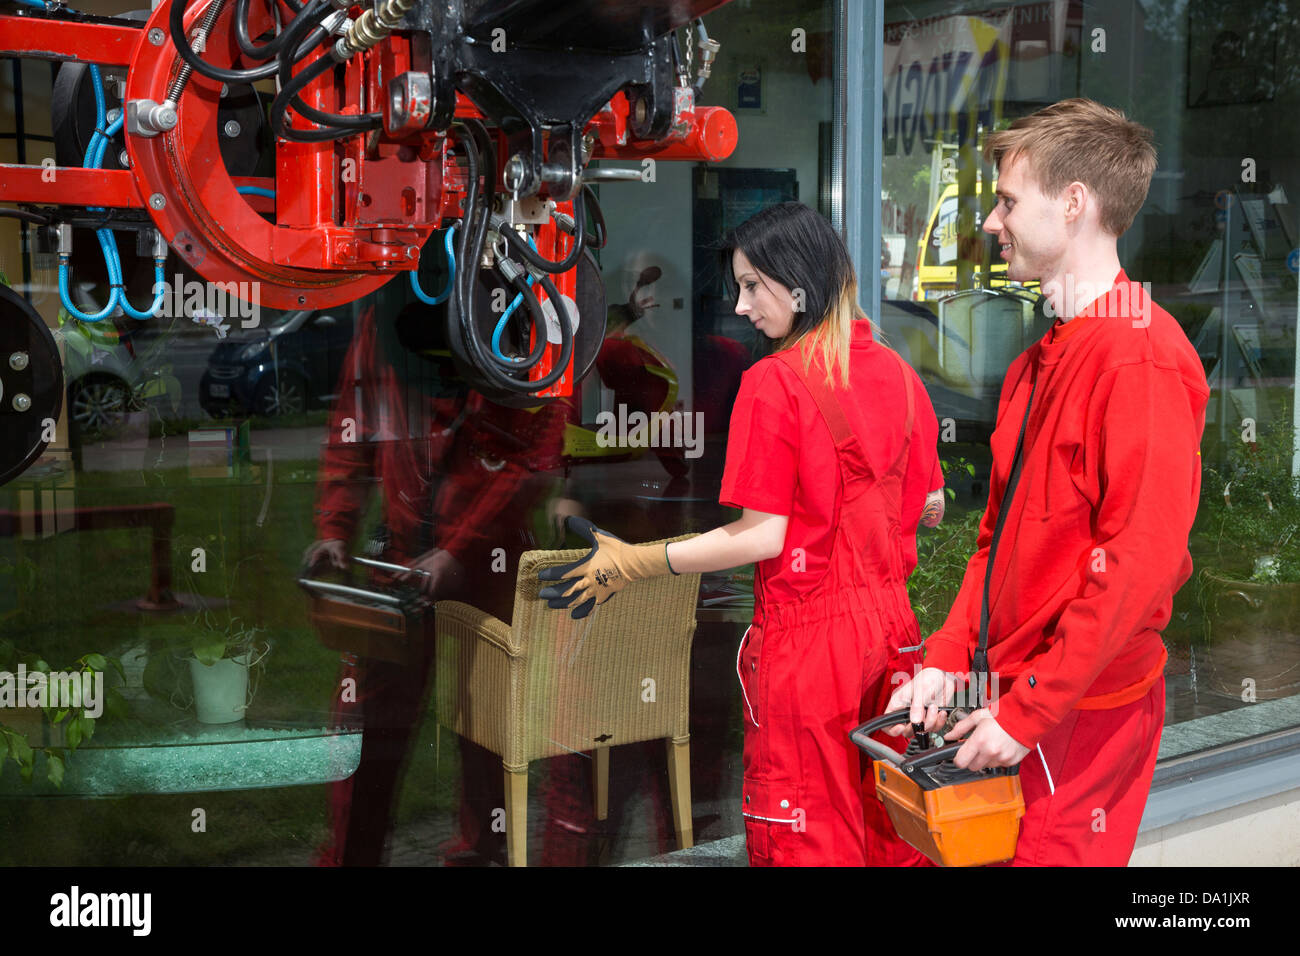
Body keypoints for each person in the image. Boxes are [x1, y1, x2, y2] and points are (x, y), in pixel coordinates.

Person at [539, 201, 946, 866]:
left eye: (753, 285)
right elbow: (928, 503)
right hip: (894, 641)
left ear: (799, 285)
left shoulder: (774, 382)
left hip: (811, 646)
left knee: (805, 838)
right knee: (889, 833)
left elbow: (760, 538)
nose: (740, 304)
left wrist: (634, 562)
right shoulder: (899, 376)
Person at [885, 98, 1210, 866]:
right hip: (1015, 696)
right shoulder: (1041, 359)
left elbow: (1138, 564)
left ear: (1074, 205)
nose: (992, 223)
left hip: (1080, 710)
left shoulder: (1141, 359)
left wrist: (1027, 711)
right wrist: (945, 660)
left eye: (1006, 201)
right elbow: (997, 544)